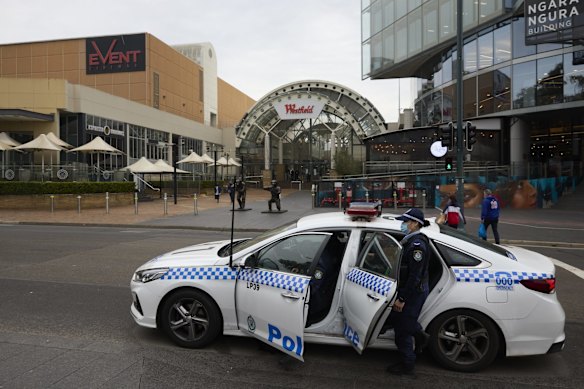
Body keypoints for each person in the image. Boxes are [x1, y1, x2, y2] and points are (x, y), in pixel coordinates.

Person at [387, 208, 431, 376]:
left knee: (402, 329)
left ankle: (407, 364)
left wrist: (402, 298)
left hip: (413, 292)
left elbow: (414, 276)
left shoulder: (416, 246)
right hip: (413, 290)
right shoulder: (412, 240)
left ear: (414, 224)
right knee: (403, 320)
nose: (402, 225)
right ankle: (420, 335)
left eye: (405, 222)